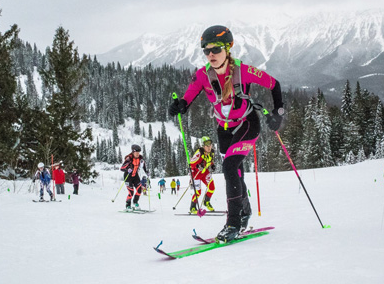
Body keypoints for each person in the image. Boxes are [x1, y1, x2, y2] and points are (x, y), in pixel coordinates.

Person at [168, 25, 284, 243]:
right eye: (206, 50)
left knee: (230, 166)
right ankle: (245, 211)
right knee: (235, 170)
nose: (210, 54)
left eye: (216, 49)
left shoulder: (244, 71)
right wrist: (179, 106)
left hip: (247, 124)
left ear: (228, 48)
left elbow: (274, 84)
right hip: (223, 129)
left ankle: (233, 223)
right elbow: (188, 98)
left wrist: (278, 112)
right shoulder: (203, 75)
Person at [188, 136, 217, 213]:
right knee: (198, 192)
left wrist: (212, 165)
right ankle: (192, 207)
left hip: (204, 172)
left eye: (210, 144)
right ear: (203, 145)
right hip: (196, 174)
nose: (209, 146)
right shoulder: (199, 153)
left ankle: (206, 202)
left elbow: (210, 161)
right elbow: (191, 163)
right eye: (206, 144)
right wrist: (198, 165)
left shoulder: (212, 152)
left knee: (212, 187)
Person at [119, 144, 148, 210]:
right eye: (136, 152)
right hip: (128, 176)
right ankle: (128, 205)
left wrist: (147, 172)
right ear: (133, 152)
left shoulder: (140, 158)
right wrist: (127, 169)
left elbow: (143, 166)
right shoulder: (129, 159)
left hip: (135, 176)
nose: (138, 154)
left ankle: (135, 202)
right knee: (131, 192)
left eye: (138, 152)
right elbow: (122, 168)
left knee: (139, 190)